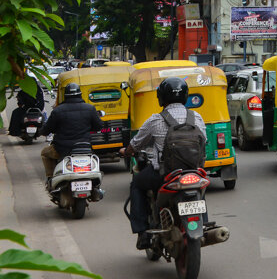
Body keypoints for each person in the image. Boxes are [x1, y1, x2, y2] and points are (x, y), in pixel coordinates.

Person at [121, 77, 206, 250]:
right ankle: (203, 224)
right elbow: (204, 141)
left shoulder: (155, 120)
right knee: (199, 189)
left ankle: (142, 232)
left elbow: (136, 144)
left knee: (137, 184)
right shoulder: (197, 117)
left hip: (164, 176)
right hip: (193, 173)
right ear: (185, 96)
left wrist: (126, 151)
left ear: (161, 98)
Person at [39, 83, 102, 182]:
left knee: (44, 153)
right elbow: (98, 126)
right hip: (85, 148)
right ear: (80, 94)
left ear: (65, 96)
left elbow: (47, 129)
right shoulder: (90, 109)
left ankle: (51, 177)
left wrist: (42, 131)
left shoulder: (58, 111)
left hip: (62, 150)